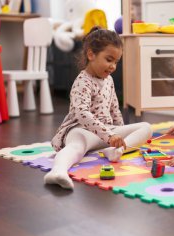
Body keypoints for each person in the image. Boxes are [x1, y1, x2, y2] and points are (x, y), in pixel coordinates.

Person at [45, 27, 152, 189]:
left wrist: (118, 134)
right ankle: (57, 171)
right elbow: (82, 114)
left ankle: (116, 151)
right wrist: (109, 135)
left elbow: (114, 108)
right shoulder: (83, 81)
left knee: (146, 127)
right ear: (91, 55)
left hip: (106, 134)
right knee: (76, 148)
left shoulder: (108, 80)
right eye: (109, 60)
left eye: (116, 62)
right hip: (81, 130)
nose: (113, 66)